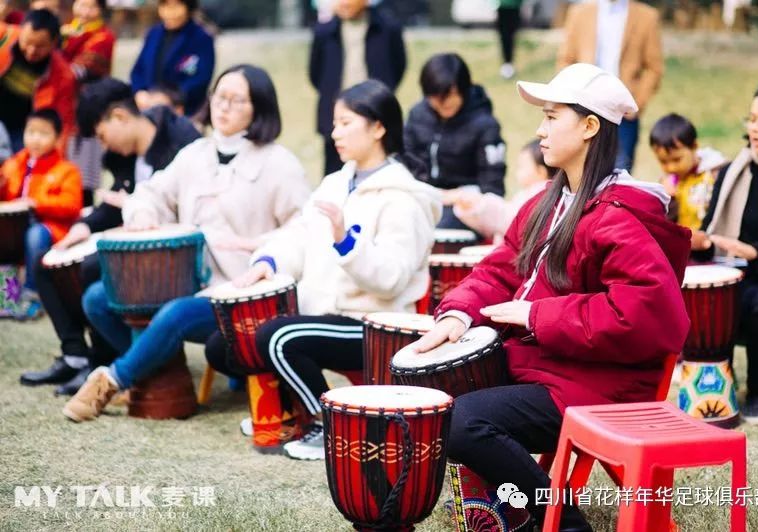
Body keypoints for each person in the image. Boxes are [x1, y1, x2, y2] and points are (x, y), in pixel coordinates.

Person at [413, 63, 691, 531]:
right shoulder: (547, 202)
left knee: (461, 421)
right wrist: (457, 315)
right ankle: (505, 506)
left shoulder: (620, 216)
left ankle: (563, 523)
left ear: (589, 127)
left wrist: (536, 315)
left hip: (600, 384)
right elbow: (500, 269)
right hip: (545, 366)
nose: (539, 131)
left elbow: (645, 316)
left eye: (551, 117)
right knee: (435, 391)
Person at [204, 80, 442, 459]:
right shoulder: (335, 183)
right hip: (322, 313)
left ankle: (329, 425)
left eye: (346, 123)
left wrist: (346, 242)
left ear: (378, 128)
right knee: (224, 345)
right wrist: (268, 261)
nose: (335, 133)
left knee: (278, 338)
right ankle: (289, 414)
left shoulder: (403, 199)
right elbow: (299, 236)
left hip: (374, 325)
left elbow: (392, 278)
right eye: (334, 124)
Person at [64, 65, 311, 422]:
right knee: (99, 298)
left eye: (236, 100)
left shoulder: (279, 163)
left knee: (175, 314)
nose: (223, 107)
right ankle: (156, 371)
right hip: (192, 279)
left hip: (246, 294)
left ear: (259, 107)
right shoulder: (196, 154)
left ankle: (112, 380)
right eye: (219, 97)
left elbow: (303, 229)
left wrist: (257, 246)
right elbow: (150, 194)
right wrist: (143, 213)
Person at [19, 78, 200, 396]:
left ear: (119, 117)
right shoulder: (124, 157)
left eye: (102, 136)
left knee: (91, 268)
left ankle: (106, 359)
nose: (104, 146)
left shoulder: (181, 144)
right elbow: (113, 205)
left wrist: (132, 207)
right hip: (135, 245)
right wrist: (82, 228)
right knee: (47, 263)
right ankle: (75, 355)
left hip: (175, 254)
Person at [692, 80, 758, 425]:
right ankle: (757, 390)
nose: (755, 128)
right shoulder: (733, 171)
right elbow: (710, 228)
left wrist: (757, 251)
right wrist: (701, 240)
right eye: (752, 119)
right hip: (745, 279)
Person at [557, 0, 663, 172]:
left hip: (622, 111)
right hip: (584, 106)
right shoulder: (579, 13)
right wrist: (573, 97)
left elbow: (654, 68)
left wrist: (637, 103)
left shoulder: (647, 16)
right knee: (580, 170)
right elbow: (565, 60)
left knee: (619, 172)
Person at [404, 53, 506, 230]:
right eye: (436, 97)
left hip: (464, 205)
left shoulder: (485, 125)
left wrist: (457, 195)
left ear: (464, 89)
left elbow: (492, 187)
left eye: (450, 95)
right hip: (423, 197)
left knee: (435, 225)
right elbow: (406, 161)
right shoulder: (418, 115)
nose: (443, 103)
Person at [0, 109, 83, 318]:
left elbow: (72, 205)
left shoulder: (67, 170)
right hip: (16, 227)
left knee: (35, 235)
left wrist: (37, 203)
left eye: (44, 133)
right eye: (31, 132)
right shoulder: (13, 164)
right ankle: (7, 298)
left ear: (58, 137)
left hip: (48, 229)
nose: (36, 139)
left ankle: (32, 295)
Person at [309, 0, 406, 176]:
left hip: (374, 112)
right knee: (335, 172)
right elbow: (315, 73)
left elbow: (398, 66)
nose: (343, 2)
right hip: (336, 110)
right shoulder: (324, 31)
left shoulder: (387, 28)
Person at [62, 0, 117, 206]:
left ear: (100, 10)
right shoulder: (67, 31)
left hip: (87, 113)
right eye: (81, 4)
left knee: (84, 176)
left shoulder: (103, 37)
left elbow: (77, 72)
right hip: (64, 110)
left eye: (91, 6)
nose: (85, 11)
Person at [0, 9, 77, 152]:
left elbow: (63, 122)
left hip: (23, 132)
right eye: (27, 42)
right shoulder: (4, 36)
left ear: (54, 42)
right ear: (21, 31)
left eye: (40, 46)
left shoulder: (64, 75)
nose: (31, 51)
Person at [451, 140, 557, 242]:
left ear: (540, 172)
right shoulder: (529, 193)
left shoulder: (540, 193)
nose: (517, 171)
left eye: (521, 167)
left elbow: (509, 219)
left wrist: (480, 204)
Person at [130, 0, 214, 116]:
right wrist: (139, 91)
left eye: (176, 5)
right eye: (165, 5)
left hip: (184, 112)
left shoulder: (201, 38)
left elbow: (200, 78)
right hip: (147, 107)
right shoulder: (153, 34)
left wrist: (171, 98)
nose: (170, 12)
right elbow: (138, 70)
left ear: (188, 7)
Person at [649, 113, 726, 230]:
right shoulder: (667, 182)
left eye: (677, 159)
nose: (671, 168)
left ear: (694, 146)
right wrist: (666, 198)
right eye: (663, 161)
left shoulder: (715, 174)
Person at [496, 0, 523, 80]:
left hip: (514, 6)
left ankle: (509, 63)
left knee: (510, 37)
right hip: (502, 6)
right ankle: (507, 63)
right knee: (505, 37)